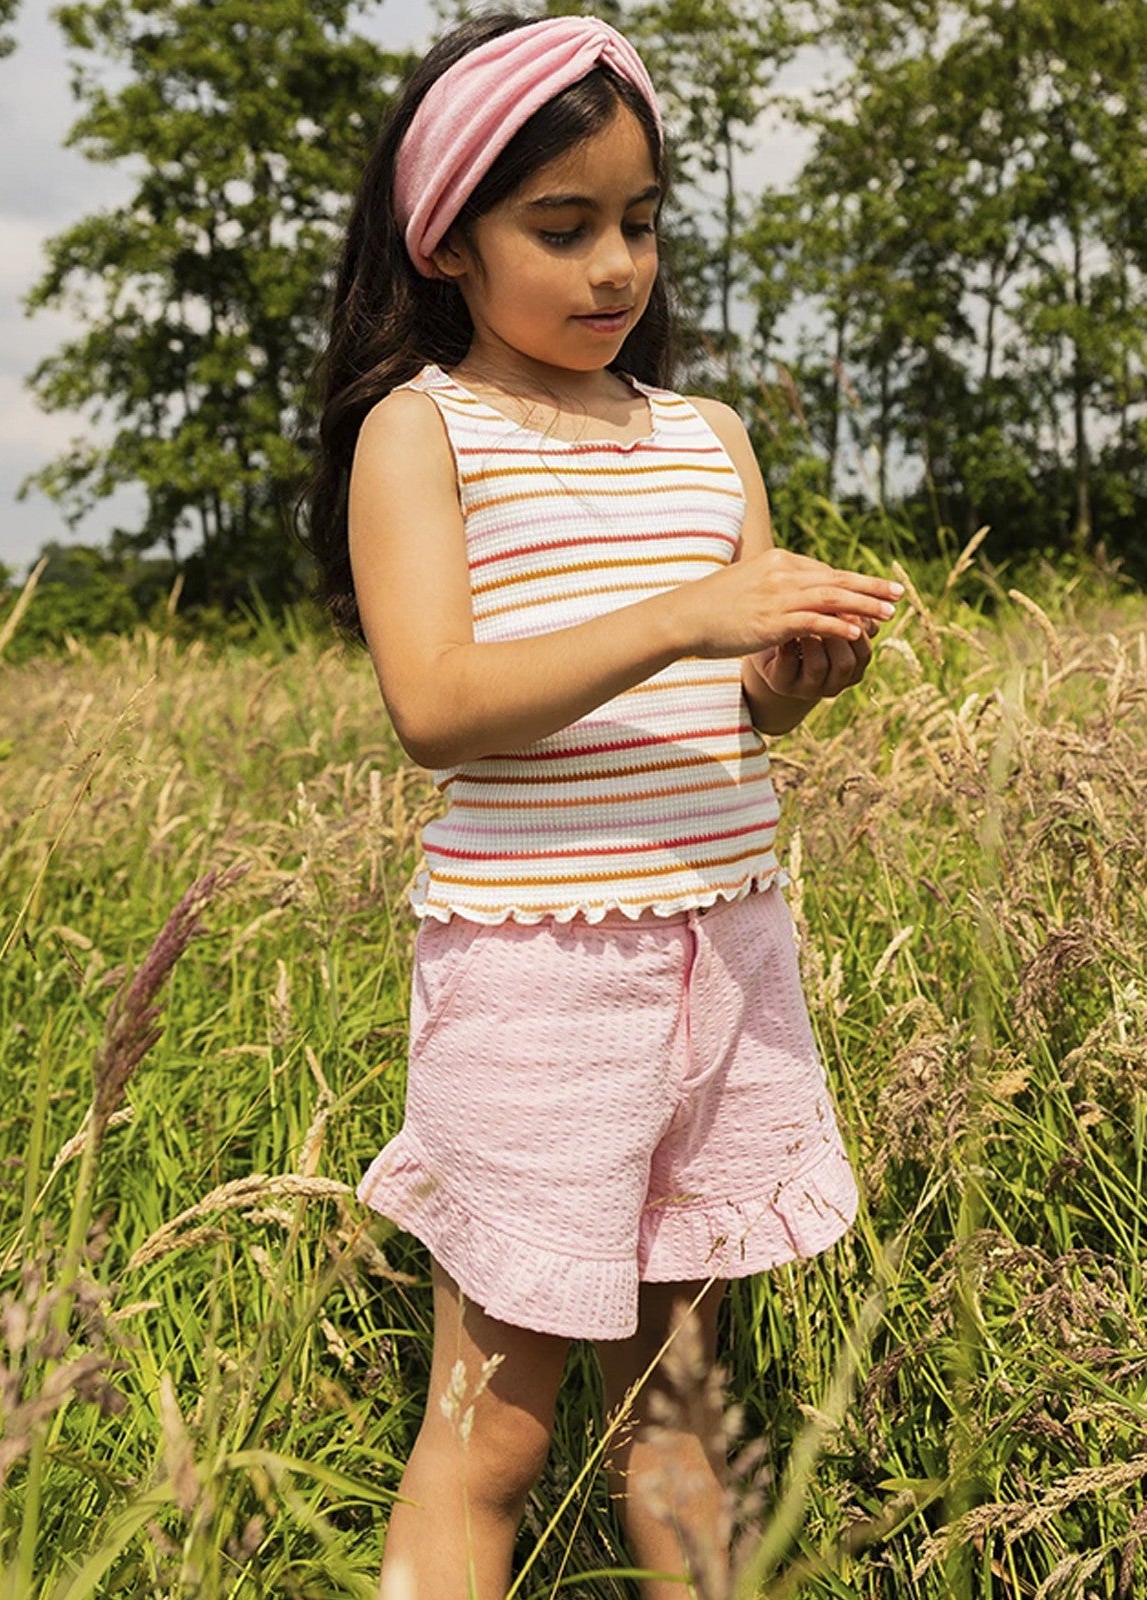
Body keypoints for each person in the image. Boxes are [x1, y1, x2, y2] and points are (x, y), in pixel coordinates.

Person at [301, 12, 902, 1597]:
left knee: (679, 1411)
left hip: (725, 957)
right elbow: (436, 705)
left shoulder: (707, 441)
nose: (613, 266)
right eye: (559, 228)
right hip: (540, 974)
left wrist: (783, 678)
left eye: (637, 222)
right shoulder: (422, 432)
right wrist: (684, 621)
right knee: (493, 1430)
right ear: (450, 242)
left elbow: (732, 702)